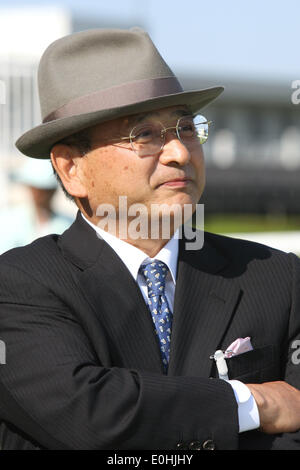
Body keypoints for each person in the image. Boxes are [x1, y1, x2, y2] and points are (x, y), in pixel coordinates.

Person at [0, 28, 299, 451]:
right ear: (72, 169)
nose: (179, 152)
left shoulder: (277, 277)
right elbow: (90, 416)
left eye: (186, 128)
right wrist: (253, 403)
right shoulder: (19, 286)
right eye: (143, 134)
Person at [0, 159, 74, 254]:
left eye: (46, 190)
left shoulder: (68, 225)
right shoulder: (7, 220)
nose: (40, 195)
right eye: (36, 189)